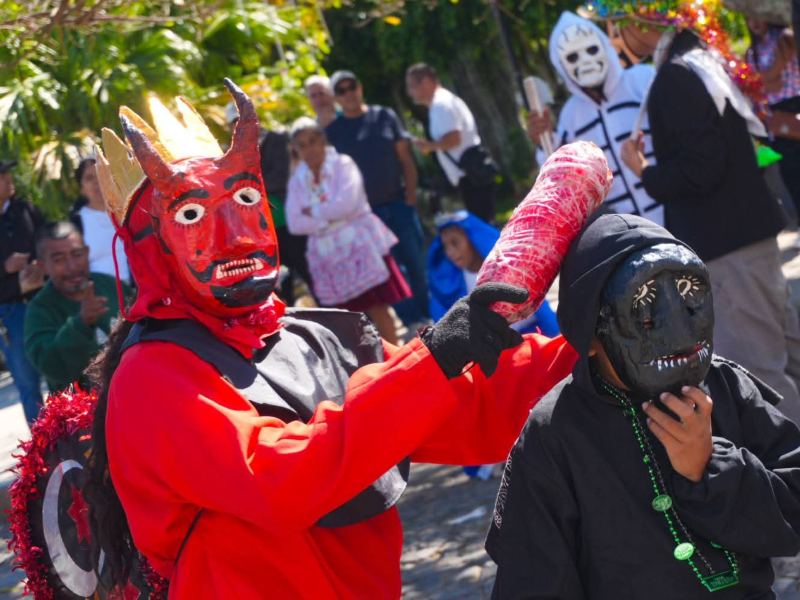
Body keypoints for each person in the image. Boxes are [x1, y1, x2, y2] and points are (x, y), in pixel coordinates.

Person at [84, 80, 577, 599]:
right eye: (191, 214)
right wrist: (430, 362)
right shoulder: (153, 376)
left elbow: (471, 406)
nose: (235, 233)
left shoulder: (307, 336)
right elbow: (281, 478)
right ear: (148, 245)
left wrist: (597, 346)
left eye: (246, 198)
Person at [488, 212, 800, 599]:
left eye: (690, 300)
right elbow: (532, 580)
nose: (683, 333)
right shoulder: (554, 434)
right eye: (647, 312)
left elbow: (792, 513)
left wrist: (709, 467)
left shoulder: (725, 386)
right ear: (589, 336)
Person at [615, 6, 800, 422]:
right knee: (786, 355)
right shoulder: (701, 63)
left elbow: (701, 169)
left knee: (762, 373)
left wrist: (645, 171)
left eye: (620, 24)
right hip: (747, 238)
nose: (617, 37)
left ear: (647, 21)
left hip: (727, 245)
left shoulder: (677, 75)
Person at [429, 210, 560, 480]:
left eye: (456, 242)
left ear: (473, 238)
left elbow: (542, 315)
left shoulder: (509, 268)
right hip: (489, 361)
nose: (451, 252)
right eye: (446, 246)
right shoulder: (450, 285)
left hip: (529, 347)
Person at [526, 11, 662, 225]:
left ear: (604, 47)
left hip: (674, 209)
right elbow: (560, 176)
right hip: (633, 234)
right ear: (561, 65)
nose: (586, 61)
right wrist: (543, 141)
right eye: (572, 57)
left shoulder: (642, 80)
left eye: (591, 49)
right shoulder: (571, 115)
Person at [286, 117, 410, 345]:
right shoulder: (297, 181)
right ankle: (375, 369)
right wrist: (326, 221)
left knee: (377, 308)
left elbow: (348, 204)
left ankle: (398, 359)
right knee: (351, 321)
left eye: (312, 141)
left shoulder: (342, 164)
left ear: (322, 140)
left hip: (358, 247)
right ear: (296, 150)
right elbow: (294, 222)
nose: (309, 149)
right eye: (302, 145)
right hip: (328, 256)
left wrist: (311, 211)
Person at [325, 70, 430, 328]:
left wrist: (411, 193)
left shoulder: (384, 116)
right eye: (341, 90)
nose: (349, 93)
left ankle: (431, 314)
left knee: (416, 261)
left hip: (399, 203)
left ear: (360, 87)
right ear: (336, 98)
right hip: (366, 217)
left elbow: (405, 157)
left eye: (352, 86)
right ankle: (414, 321)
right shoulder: (333, 132)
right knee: (389, 271)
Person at [24, 221, 131, 392]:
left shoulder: (112, 286)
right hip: (83, 412)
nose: (72, 266)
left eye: (77, 254)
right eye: (59, 259)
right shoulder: (39, 310)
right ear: (43, 266)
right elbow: (49, 365)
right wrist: (80, 324)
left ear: (87, 252)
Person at [225, 103, 312, 306]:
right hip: (263, 232)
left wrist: (249, 187)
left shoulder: (278, 139)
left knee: (312, 274)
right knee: (281, 287)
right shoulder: (232, 155)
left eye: (244, 118)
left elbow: (282, 177)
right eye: (235, 122)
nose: (241, 125)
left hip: (292, 223)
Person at [406, 63, 498, 224]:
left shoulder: (441, 105)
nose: (409, 92)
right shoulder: (443, 101)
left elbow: (454, 139)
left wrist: (428, 146)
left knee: (482, 228)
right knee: (484, 224)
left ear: (427, 81)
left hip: (469, 175)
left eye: (412, 86)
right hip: (471, 172)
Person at [0, 159, 44, 422]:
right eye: (2, 176)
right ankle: (46, 454)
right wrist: (5, 267)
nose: (8, 179)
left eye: (8, 174)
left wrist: (40, 262)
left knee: (60, 374)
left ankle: (78, 441)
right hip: (11, 312)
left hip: (44, 302)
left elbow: (47, 239)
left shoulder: (25, 209)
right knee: (28, 386)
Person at [746, 16, 800, 220]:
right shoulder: (753, 51)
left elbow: (769, 80)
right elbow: (762, 84)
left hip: (794, 104)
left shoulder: (787, 37)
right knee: (791, 172)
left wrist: (763, 81)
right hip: (776, 116)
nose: (754, 22)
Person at [70, 157, 131, 282]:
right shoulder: (76, 223)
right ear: (82, 188)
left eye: (100, 174)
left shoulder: (129, 213)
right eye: (89, 178)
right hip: (102, 295)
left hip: (140, 293)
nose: (96, 181)